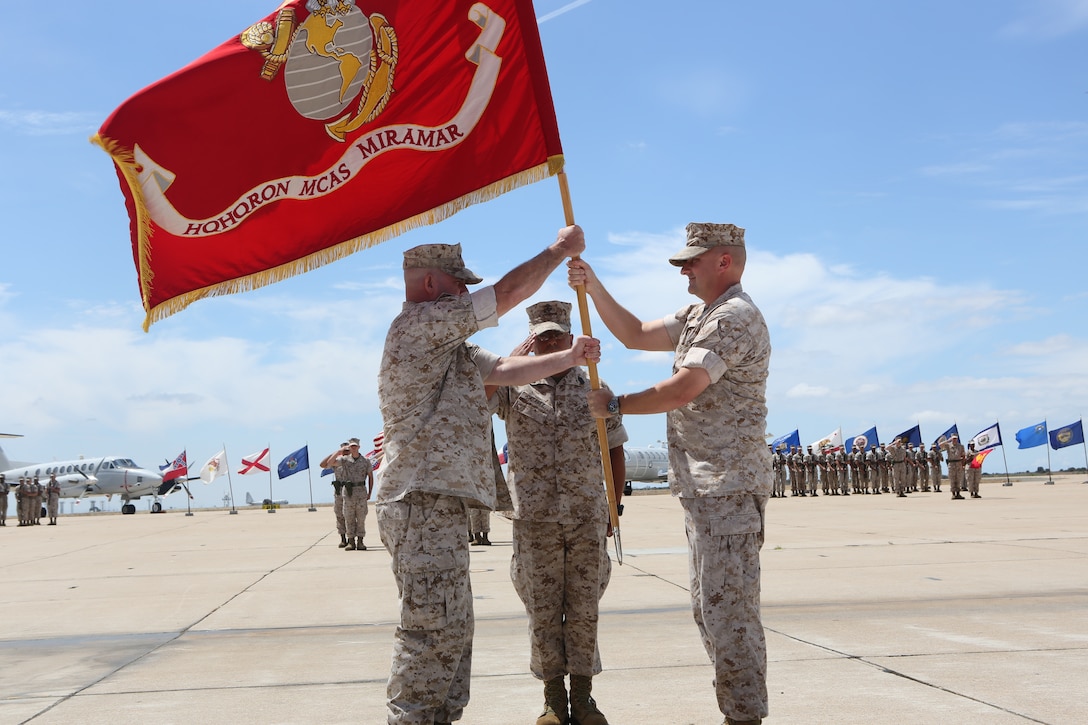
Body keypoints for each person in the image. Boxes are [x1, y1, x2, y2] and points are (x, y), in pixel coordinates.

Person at [375, 228, 600, 725]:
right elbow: (506, 295)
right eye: (458, 285)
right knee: (429, 628)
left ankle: (440, 716)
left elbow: (503, 369)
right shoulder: (418, 326)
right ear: (431, 283)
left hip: (442, 504)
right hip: (419, 499)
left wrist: (570, 356)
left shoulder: (454, 351)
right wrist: (559, 251)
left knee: (452, 627)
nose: (464, 294)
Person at [569, 221, 771, 725]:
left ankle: (744, 717)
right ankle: (738, 713)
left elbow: (685, 387)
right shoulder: (700, 313)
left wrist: (614, 404)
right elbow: (636, 335)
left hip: (726, 485)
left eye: (692, 260)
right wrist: (592, 286)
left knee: (729, 614)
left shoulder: (733, 318)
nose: (682, 268)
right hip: (704, 488)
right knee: (710, 607)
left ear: (723, 261)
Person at [490, 300, 628, 725]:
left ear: (572, 337)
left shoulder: (595, 387)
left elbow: (616, 448)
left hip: (586, 514)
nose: (550, 341)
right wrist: (517, 353)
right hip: (534, 518)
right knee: (542, 609)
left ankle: (584, 697)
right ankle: (553, 699)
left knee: (584, 608)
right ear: (533, 340)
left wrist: (614, 508)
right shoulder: (515, 389)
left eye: (556, 335)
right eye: (541, 336)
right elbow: (482, 390)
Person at [337, 438, 374, 550]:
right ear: (349, 447)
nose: (353, 448)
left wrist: (370, 493)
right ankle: (351, 542)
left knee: (361, 518)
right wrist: (339, 451)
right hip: (348, 493)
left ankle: (360, 541)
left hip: (361, 492)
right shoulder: (344, 460)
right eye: (351, 446)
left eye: (355, 446)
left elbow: (370, 477)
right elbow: (326, 464)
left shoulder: (366, 461)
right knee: (349, 518)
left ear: (358, 447)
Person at [320, 442, 351, 547]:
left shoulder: (354, 461)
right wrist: (336, 452)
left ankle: (352, 539)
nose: (346, 452)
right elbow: (323, 464)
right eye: (344, 450)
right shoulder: (336, 461)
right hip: (339, 491)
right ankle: (343, 538)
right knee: (339, 514)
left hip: (351, 491)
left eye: (348, 449)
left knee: (351, 515)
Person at [944, 435, 967, 500]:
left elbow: (963, 456)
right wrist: (948, 440)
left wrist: (963, 464)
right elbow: (940, 445)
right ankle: (953, 494)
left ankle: (958, 493)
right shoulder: (948, 445)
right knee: (952, 479)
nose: (954, 440)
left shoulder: (961, 446)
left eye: (955, 438)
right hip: (951, 464)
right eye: (953, 438)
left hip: (958, 463)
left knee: (958, 479)